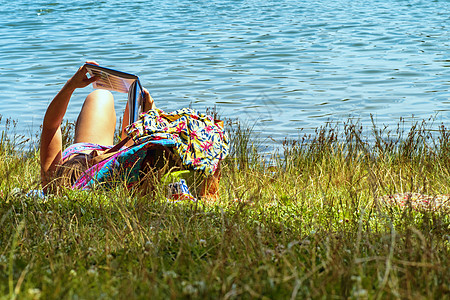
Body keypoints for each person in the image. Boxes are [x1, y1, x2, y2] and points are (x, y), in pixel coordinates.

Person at [40, 61, 155, 193]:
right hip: (117, 162)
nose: (95, 152)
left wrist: (71, 85)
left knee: (101, 95)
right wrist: (148, 117)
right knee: (108, 100)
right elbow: (137, 153)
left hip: (91, 157)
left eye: (88, 156)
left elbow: (51, 126)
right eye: (94, 157)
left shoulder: (53, 182)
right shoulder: (118, 179)